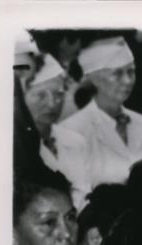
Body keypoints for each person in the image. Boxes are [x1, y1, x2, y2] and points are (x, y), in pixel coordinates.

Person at [63, 36, 142, 186]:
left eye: (131, 72)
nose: (127, 81)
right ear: (95, 79)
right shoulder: (72, 131)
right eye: (117, 73)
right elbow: (78, 197)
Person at [21, 53, 91, 210]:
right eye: (41, 95)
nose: (52, 104)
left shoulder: (76, 142)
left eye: (58, 94)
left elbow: (85, 196)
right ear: (21, 97)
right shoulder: (15, 148)